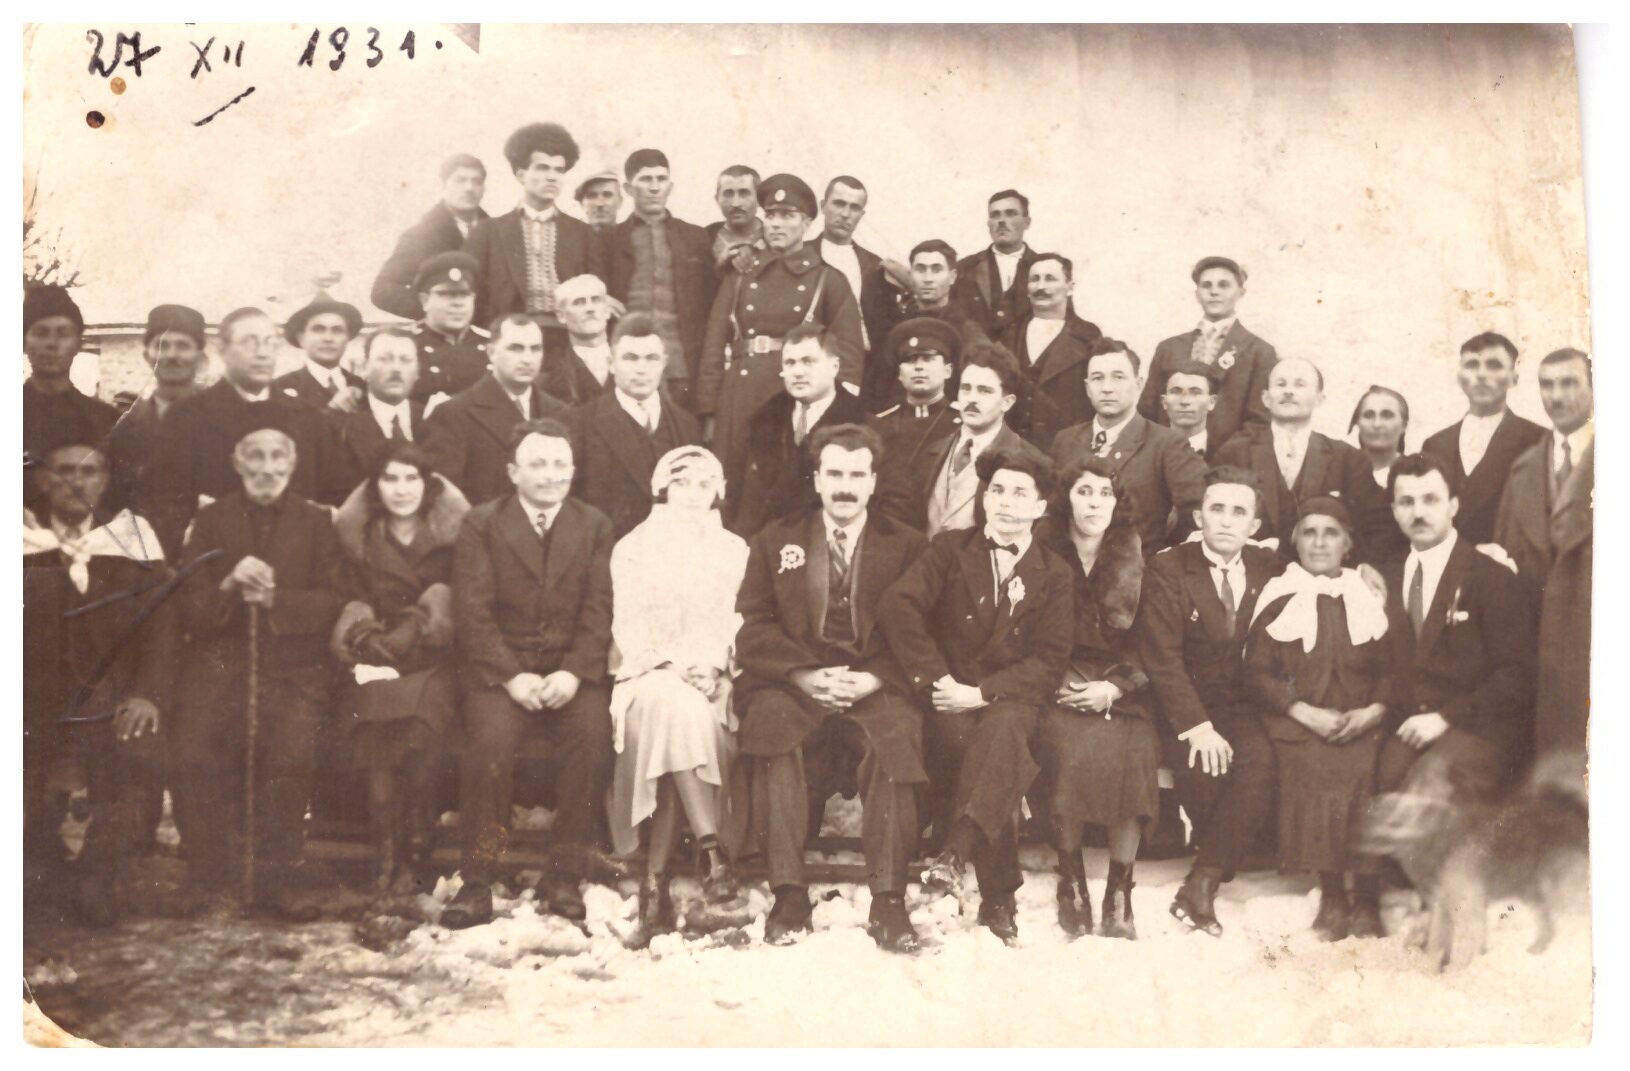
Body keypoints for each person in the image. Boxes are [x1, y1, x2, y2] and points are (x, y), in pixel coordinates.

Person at [724, 424, 930, 951]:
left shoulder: (907, 545)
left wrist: (875, 677)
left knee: (895, 735)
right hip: (796, 684)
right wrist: (803, 675)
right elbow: (754, 627)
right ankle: (789, 893)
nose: (845, 487)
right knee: (772, 730)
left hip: (873, 682)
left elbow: (922, 629)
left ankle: (889, 900)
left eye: (857, 475)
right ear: (816, 479)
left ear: (873, 481)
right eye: (834, 473)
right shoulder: (777, 539)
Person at [880, 446, 1074, 944]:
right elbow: (900, 606)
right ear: (985, 498)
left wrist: (983, 693)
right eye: (998, 490)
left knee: (1004, 732)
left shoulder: (1054, 573)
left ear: (1040, 507)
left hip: (1010, 700)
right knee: (992, 748)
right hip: (948, 695)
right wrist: (938, 679)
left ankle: (956, 851)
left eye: (1020, 493)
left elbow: (1048, 662)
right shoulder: (950, 549)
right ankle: (998, 895)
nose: (1006, 501)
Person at [442, 419, 616, 929]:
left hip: (569, 670)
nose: (550, 474)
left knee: (592, 739)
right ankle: (479, 878)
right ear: (513, 471)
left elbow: (600, 609)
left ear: (573, 470)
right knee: (490, 748)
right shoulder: (482, 523)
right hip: (502, 671)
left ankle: (564, 874)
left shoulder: (594, 524)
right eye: (537, 463)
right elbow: (472, 611)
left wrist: (574, 672)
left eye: (560, 464)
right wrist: (510, 676)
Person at [169, 427, 345, 919]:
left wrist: (276, 600)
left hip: (292, 668)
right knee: (194, 750)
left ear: (291, 464)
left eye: (277, 457)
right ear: (238, 464)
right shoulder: (211, 520)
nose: (267, 468)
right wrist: (228, 583)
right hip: (221, 664)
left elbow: (335, 598)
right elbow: (188, 603)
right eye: (256, 457)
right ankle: (207, 873)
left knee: (289, 754)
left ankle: (276, 876)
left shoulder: (317, 521)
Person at [23, 442, 170, 926]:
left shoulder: (129, 540)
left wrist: (146, 693)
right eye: (65, 470)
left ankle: (99, 876)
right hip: (29, 698)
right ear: (43, 479)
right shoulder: (20, 536)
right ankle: (36, 870)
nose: (76, 481)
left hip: (111, 695)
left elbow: (161, 628)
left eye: (89, 472)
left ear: (104, 481)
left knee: (137, 754)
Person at [608, 446, 749, 946]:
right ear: (662, 487)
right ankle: (712, 849)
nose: (692, 493)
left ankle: (655, 884)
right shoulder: (633, 547)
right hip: (647, 675)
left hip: (711, 682)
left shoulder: (734, 550)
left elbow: (740, 621)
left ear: (719, 491)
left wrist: (716, 667)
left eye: (704, 483)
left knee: (678, 725)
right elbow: (628, 626)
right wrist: (671, 665)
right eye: (682, 482)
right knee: (671, 706)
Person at [1138, 467, 1280, 937]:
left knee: (1259, 760)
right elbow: (1163, 659)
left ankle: (1202, 880)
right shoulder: (1168, 568)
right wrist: (1197, 727)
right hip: (1184, 705)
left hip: (1241, 705)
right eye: (1216, 509)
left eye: (1239, 512)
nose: (1225, 520)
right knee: (1205, 769)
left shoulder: (1268, 566)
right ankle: (1218, 863)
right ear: (1199, 517)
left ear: (1254, 525)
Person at [1244, 496, 1391, 941]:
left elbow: (1393, 667)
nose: (1320, 542)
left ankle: (1368, 895)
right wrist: (1302, 712)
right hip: (1299, 719)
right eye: (1309, 532)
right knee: (1317, 765)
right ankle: (1332, 892)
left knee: (1372, 768)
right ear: (1295, 540)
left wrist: (1374, 710)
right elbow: (1257, 672)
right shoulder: (1279, 594)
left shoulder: (1368, 595)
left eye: (1331, 533)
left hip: (1364, 720)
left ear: (1348, 543)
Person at [329, 444, 470, 895]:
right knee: (373, 733)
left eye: (412, 479)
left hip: (433, 658)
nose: (401, 489)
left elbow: (464, 595)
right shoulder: (359, 539)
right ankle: (384, 853)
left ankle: (414, 853)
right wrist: (364, 631)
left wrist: (421, 623)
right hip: (376, 656)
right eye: (390, 479)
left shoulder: (453, 539)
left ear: (427, 486)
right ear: (376, 487)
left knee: (420, 733)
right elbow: (343, 593)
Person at [1033, 455, 1151, 940]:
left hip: (1122, 680)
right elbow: (1025, 629)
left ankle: (1120, 887)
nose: (1095, 503)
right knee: (1065, 738)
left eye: (1106, 493)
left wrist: (1116, 686)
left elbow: (1153, 639)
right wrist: (1053, 676)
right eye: (1084, 491)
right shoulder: (1041, 546)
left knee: (1135, 746)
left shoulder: (1134, 553)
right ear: (1066, 499)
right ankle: (1072, 878)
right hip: (1054, 673)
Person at [696, 173, 865, 490]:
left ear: (807, 223)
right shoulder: (740, 275)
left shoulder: (827, 280)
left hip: (793, 396)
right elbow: (714, 344)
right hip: (739, 395)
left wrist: (839, 411)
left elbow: (849, 352)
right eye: (771, 215)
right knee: (733, 484)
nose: (776, 224)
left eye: (787, 216)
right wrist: (709, 409)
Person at [1383, 453, 1537, 799]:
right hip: (1411, 726)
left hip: (1479, 728)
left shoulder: (1491, 576)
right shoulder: (1388, 574)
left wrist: (1446, 718)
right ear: (1393, 509)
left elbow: (1518, 675)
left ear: (1453, 506)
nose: (1418, 512)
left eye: (1431, 499)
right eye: (1406, 502)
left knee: (1426, 790)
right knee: (1371, 779)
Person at [147, 306, 344, 555]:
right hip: (218, 561)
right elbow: (164, 503)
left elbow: (332, 496)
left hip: (296, 562)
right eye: (250, 343)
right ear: (223, 350)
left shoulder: (308, 418)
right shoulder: (186, 417)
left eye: (270, 343)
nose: (262, 353)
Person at [1495, 348, 1592, 759]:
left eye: (1569, 383)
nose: (1556, 395)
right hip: (1538, 640)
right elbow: (1503, 555)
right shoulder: (1523, 470)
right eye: (1547, 385)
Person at [1214, 357, 1390, 563]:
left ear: (1319, 399)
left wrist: (1366, 566)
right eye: (1281, 384)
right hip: (1249, 570)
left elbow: (1374, 525)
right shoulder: (1235, 453)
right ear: (1266, 398)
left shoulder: (1348, 458)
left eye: (1300, 385)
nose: (1289, 391)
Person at [1049, 339, 1206, 555]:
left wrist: (1167, 556)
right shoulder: (1066, 441)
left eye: (1118, 377)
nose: (1107, 388)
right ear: (1087, 388)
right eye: (1097, 378)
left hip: (1139, 569)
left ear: (1139, 384)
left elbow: (1200, 509)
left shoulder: (1167, 444)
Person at [875, 339, 1042, 536]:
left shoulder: (1028, 460)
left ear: (1007, 402)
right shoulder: (931, 452)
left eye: (984, 391)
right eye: (966, 388)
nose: (972, 399)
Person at [728, 324, 873, 537]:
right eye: (790, 363)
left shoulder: (865, 425)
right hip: (763, 544)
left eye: (808, 361)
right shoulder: (760, 421)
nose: (797, 372)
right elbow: (735, 496)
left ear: (834, 366)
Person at [570, 314, 703, 538]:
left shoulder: (687, 425)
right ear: (611, 364)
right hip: (609, 550)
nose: (641, 368)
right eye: (630, 358)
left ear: (664, 364)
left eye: (651, 358)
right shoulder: (581, 423)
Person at [463, 122, 608, 327]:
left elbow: (597, 290)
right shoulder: (488, 232)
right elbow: (473, 294)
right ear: (521, 175)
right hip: (511, 332)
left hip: (568, 332)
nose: (552, 177)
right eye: (542, 168)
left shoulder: (583, 233)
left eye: (559, 170)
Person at [604, 149, 717, 410]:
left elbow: (711, 301)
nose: (654, 187)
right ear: (628, 189)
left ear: (670, 186)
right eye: (645, 179)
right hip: (629, 365)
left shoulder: (695, 237)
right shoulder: (609, 240)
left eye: (661, 179)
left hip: (682, 365)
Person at [421, 313, 572, 506]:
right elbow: (446, 497)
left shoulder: (559, 412)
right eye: (516, 348)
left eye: (535, 349)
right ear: (491, 352)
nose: (527, 359)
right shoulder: (454, 413)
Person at [1421, 332, 1545, 545]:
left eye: (1494, 365)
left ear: (1514, 377)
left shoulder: (1537, 439)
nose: (1481, 374)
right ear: (1459, 377)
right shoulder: (1435, 444)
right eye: (1471, 365)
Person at [1138, 256, 1276, 445]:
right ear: (1197, 294)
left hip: (1230, 457)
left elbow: (1259, 421)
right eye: (1206, 285)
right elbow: (1148, 411)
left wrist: (1226, 455)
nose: (1214, 292)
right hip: (1168, 454)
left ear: (1241, 292)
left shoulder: (1259, 351)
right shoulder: (1169, 348)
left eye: (1224, 285)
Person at [105, 303, 207, 514]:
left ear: (200, 357)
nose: (171, 355)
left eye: (183, 346)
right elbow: (111, 503)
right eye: (161, 345)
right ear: (147, 356)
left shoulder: (224, 420)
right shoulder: (126, 428)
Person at [23, 285, 117, 508]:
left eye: (63, 334)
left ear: (78, 344)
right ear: (24, 343)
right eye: (41, 333)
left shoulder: (106, 421)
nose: (52, 344)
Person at [864, 239, 987, 408]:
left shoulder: (966, 331)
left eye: (936, 270)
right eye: (920, 269)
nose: (928, 279)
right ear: (911, 275)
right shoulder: (898, 329)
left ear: (952, 277)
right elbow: (878, 388)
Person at [371, 153, 490, 320]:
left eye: (476, 181)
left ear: (483, 188)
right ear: (443, 185)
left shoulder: (498, 232)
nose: (469, 188)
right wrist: (436, 312)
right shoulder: (420, 236)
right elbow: (383, 290)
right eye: (460, 180)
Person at [1001, 253, 1103, 447]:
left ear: (1069, 288)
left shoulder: (1087, 336)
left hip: (1064, 449)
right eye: (1034, 279)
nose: (1041, 287)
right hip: (1011, 449)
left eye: (1050, 279)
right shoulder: (1009, 334)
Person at [873, 318, 961, 504]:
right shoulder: (880, 425)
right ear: (899, 373)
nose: (919, 367)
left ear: (948, 371)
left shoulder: (962, 423)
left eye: (928, 359)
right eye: (910, 360)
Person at [334, 327, 428, 493]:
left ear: (418, 371)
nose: (396, 368)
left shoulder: (432, 418)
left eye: (406, 360)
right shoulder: (340, 423)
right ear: (364, 368)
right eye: (384, 359)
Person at [809, 175, 894, 355]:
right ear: (823, 206)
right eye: (839, 204)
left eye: (854, 208)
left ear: (861, 215)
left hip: (861, 360)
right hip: (812, 357)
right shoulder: (801, 254)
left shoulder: (874, 265)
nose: (845, 214)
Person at [408, 252, 492, 407]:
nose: (457, 303)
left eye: (464, 294)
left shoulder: (492, 344)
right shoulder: (408, 345)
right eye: (446, 294)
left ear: (473, 298)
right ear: (425, 301)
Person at [951, 190, 1039, 337]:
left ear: (1027, 222)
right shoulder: (965, 268)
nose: (1001, 221)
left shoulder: (1043, 267)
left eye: (1010, 213)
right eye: (995, 215)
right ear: (989, 223)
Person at [1349, 385, 1412, 561]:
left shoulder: (1416, 473)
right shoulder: (1342, 472)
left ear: (1404, 425)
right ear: (1358, 423)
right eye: (1369, 415)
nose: (1377, 424)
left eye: (1387, 415)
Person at [273, 296, 365, 414]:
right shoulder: (280, 388)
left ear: (347, 338)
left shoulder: (362, 386)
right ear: (301, 338)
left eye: (337, 330)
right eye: (318, 330)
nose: (328, 338)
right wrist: (332, 409)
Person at [541, 274, 615, 406]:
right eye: (579, 302)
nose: (590, 308)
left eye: (596, 300)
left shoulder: (633, 359)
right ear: (561, 316)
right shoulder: (554, 374)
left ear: (607, 311)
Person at [705, 164, 765, 272]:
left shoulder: (772, 237)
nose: (735, 203)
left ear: (759, 199)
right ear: (717, 199)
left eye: (744, 193)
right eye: (728, 194)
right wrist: (719, 266)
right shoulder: (703, 238)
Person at [1160, 360, 1223, 461]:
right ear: (1164, 402)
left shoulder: (1228, 452)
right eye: (1176, 392)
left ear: (1212, 402)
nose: (1185, 401)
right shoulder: (1147, 451)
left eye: (1196, 393)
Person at [574, 166, 624, 231]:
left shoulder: (633, 236)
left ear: (620, 201)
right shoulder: (571, 236)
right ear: (581, 203)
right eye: (592, 196)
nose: (599, 204)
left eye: (607, 195)